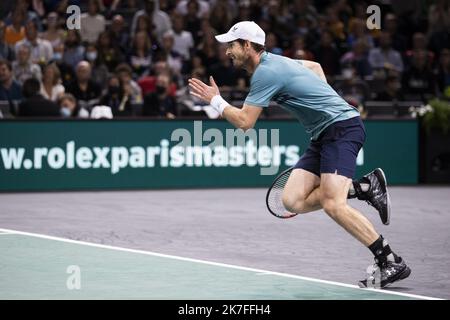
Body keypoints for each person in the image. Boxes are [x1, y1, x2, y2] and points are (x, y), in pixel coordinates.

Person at [188, 21, 411, 288]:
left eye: (232, 46)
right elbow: (315, 67)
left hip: (342, 129)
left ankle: (389, 260)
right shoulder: (277, 61)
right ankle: (364, 187)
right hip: (323, 135)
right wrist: (325, 102)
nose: (227, 52)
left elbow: (245, 122)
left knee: (333, 204)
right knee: (292, 200)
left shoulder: (265, 73)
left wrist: (216, 100)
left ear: (247, 46)